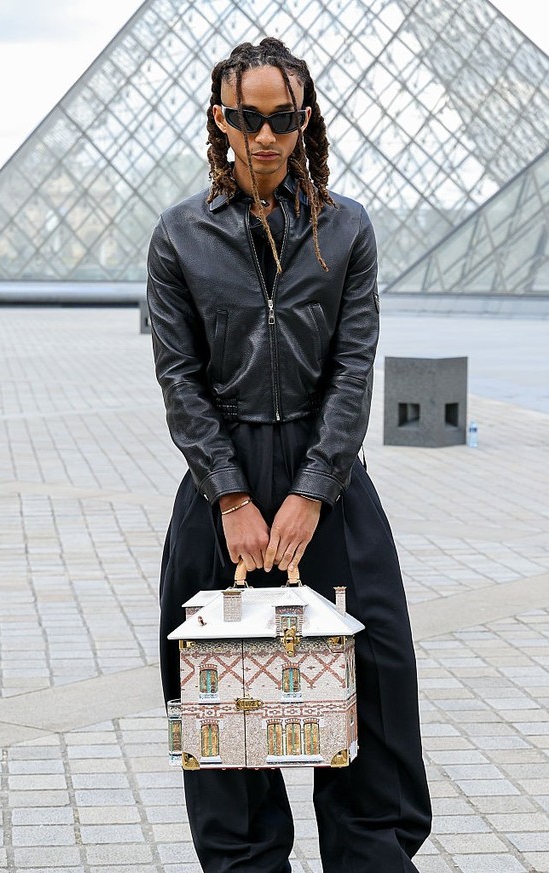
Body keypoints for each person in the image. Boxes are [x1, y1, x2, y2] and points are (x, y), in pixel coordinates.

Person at [147, 37, 431, 873]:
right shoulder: (177, 238)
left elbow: (353, 366)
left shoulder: (348, 231)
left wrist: (312, 488)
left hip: (332, 485)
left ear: (304, 119)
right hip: (219, 491)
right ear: (220, 121)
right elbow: (179, 379)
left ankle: (373, 858)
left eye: (281, 117)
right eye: (247, 117)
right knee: (225, 712)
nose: (265, 135)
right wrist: (231, 498)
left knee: (375, 690)